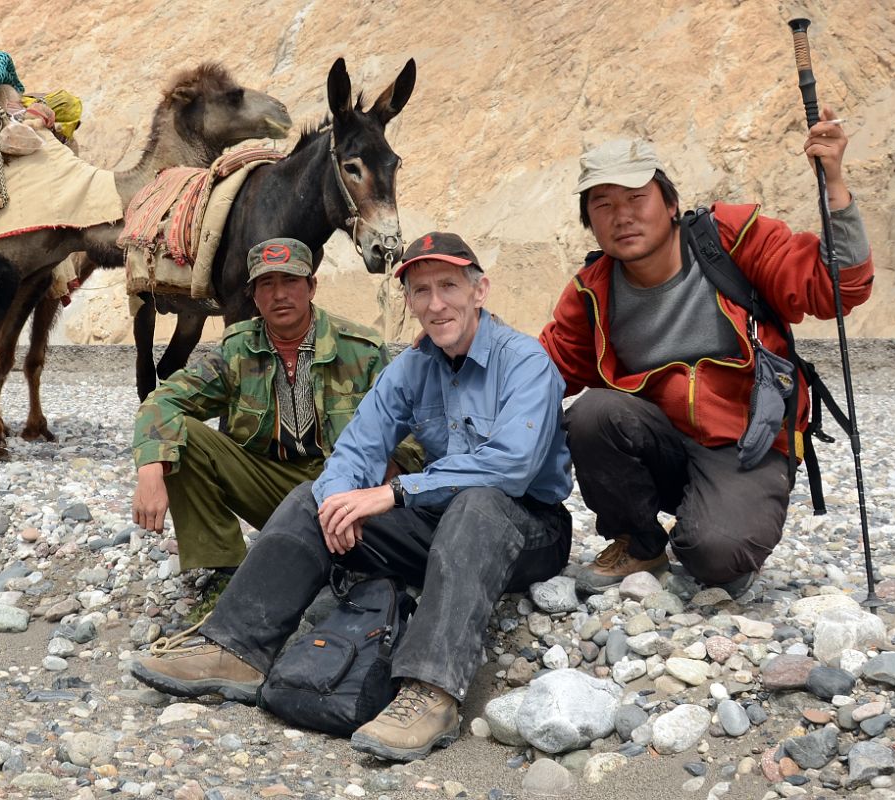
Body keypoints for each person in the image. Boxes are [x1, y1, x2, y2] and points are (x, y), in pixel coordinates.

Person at [129, 231, 573, 762]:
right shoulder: (412, 368)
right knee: (310, 499)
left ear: (480, 291)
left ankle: (431, 692)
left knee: (477, 504)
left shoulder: (524, 361)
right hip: (440, 518)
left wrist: (394, 491)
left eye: (449, 286)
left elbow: (512, 466)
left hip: (527, 526)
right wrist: (339, 501)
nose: (436, 303)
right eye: (420, 290)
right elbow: (358, 447)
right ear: (408, 301)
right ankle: (235, 649)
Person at [540, 107, 873, 598]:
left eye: (636, 197)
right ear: (590, 222)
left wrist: (835, 188)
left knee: (716, 558)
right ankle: (641, 541)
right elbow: (543, 371)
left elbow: (837, 289)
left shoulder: (733, 240)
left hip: (747, 443)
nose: (622, 216)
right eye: (602, 205)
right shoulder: (592, 292)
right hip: (660, 446)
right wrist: (463, 346)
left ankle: (708, 526)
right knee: (593, 413)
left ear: (671, 203)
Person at [130, 237, 418, 575]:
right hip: (271, 487)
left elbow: (412, 427)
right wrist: (150, 466)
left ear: (312, 286)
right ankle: (224, 567)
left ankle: (354, 557)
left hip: (348, 489)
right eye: (267, 284)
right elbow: (164, 400)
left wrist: (386, 474)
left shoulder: (361, 349)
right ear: (253, 296)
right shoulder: (237, 350)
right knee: (185, 436)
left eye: (291, 281)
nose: (279, 294)